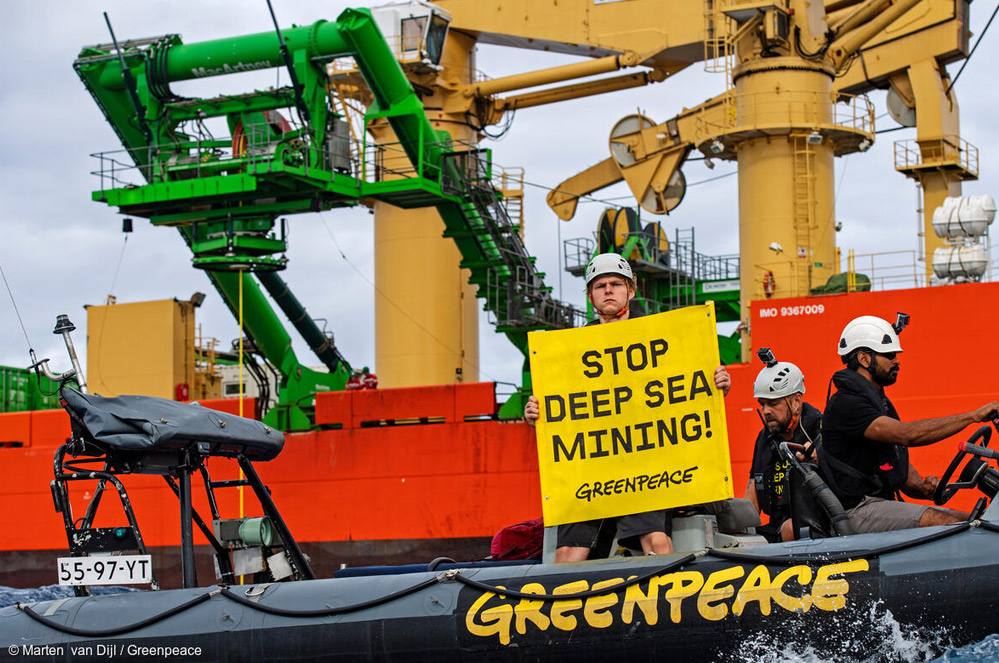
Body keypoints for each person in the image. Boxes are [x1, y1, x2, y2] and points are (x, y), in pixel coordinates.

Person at [523, 252, 731, 561]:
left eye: (615, 284)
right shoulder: (570, 350)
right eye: (600, 285)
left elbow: (689, 387)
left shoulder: (660, 337)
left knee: (656, 542)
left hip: (646, 467)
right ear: (590, 296)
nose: (608, 290)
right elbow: (560, 406)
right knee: (567, 554)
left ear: (630, 291)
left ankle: (671, 600)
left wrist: (718, 385)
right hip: (591, 471)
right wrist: (534, 414)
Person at [819, 314, 999, 533]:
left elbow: (904, 476)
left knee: (976, 521)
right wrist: (973, 416)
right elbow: (907, 435)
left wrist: (925, 488)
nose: (897, 361)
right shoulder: (847, 404)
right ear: (865, 359)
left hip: (880, 504)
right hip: (856, 510)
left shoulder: (878, 402)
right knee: (961, 526)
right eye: (889, 355)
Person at [745, 348, 821, 542]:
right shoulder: (764, 438)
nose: (766, 411)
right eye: (762, 404)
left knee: (790, 529)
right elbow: (752, 494)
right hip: (776, 527)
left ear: (796, 401)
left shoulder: (819, 428)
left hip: (818, 524)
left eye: (773, 403)